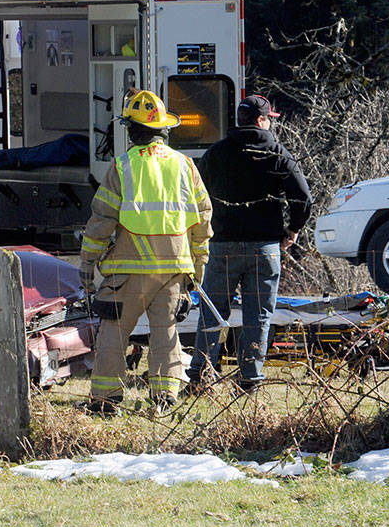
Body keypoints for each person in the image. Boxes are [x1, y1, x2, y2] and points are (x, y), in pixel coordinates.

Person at [79, 90, 212, 412]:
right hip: (173, 272)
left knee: (114, 332)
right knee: (166, 333)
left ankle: (105, 400)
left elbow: (102, 221)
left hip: (127, 272)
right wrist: (198, 268)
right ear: (163, 130)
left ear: (131, 130)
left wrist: (87, 263)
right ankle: (165, 398)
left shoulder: (122, 166)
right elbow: (202, 219)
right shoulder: (185, 166)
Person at [187, 94, 312, 392]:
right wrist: (292, 230)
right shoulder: (278, 153)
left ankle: (201, 374)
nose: (270, 123)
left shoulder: (216, 153)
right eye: (269, 119)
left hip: (221, 247)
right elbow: (303, 198)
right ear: (260, 121)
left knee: (212, 311)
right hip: (265, 248)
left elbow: (195, 195)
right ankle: (250, 379)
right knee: (258, 315)